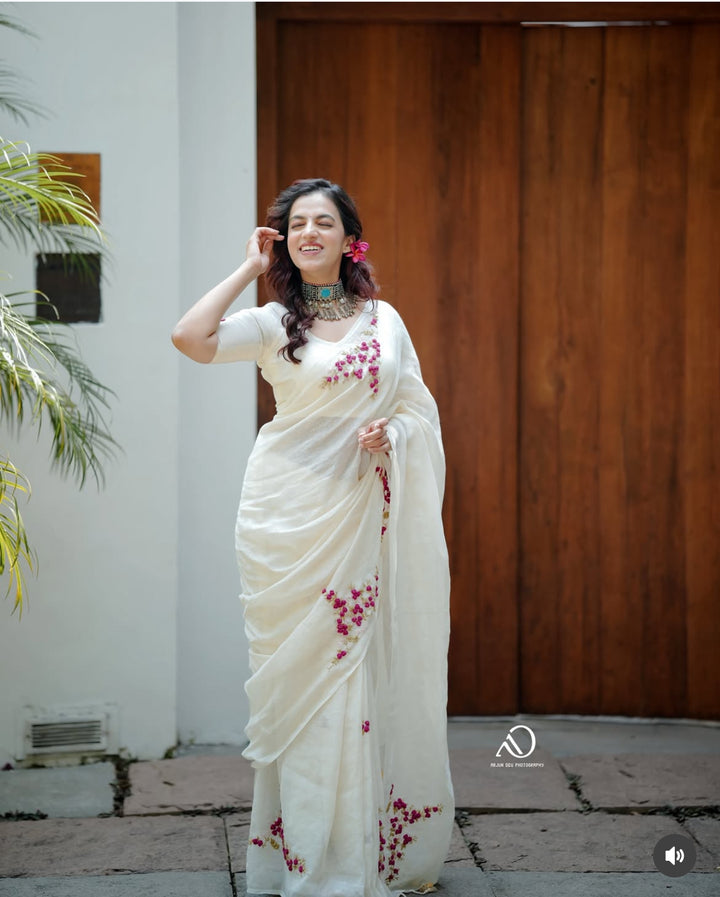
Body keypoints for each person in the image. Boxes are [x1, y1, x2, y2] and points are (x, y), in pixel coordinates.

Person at [172, 178, 454, 897]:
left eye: (324, 222)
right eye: (297, 224)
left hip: (356, 512)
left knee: (348, 679)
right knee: (300, 686)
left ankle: (349, 858)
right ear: (284, 240)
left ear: (349, 238)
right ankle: (301, 856)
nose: (309, 233)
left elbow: (418, 410)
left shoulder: (385, 322)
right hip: (284, 517)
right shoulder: (273, 322)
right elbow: (190, 338)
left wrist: (392, 432)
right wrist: (247, 268)